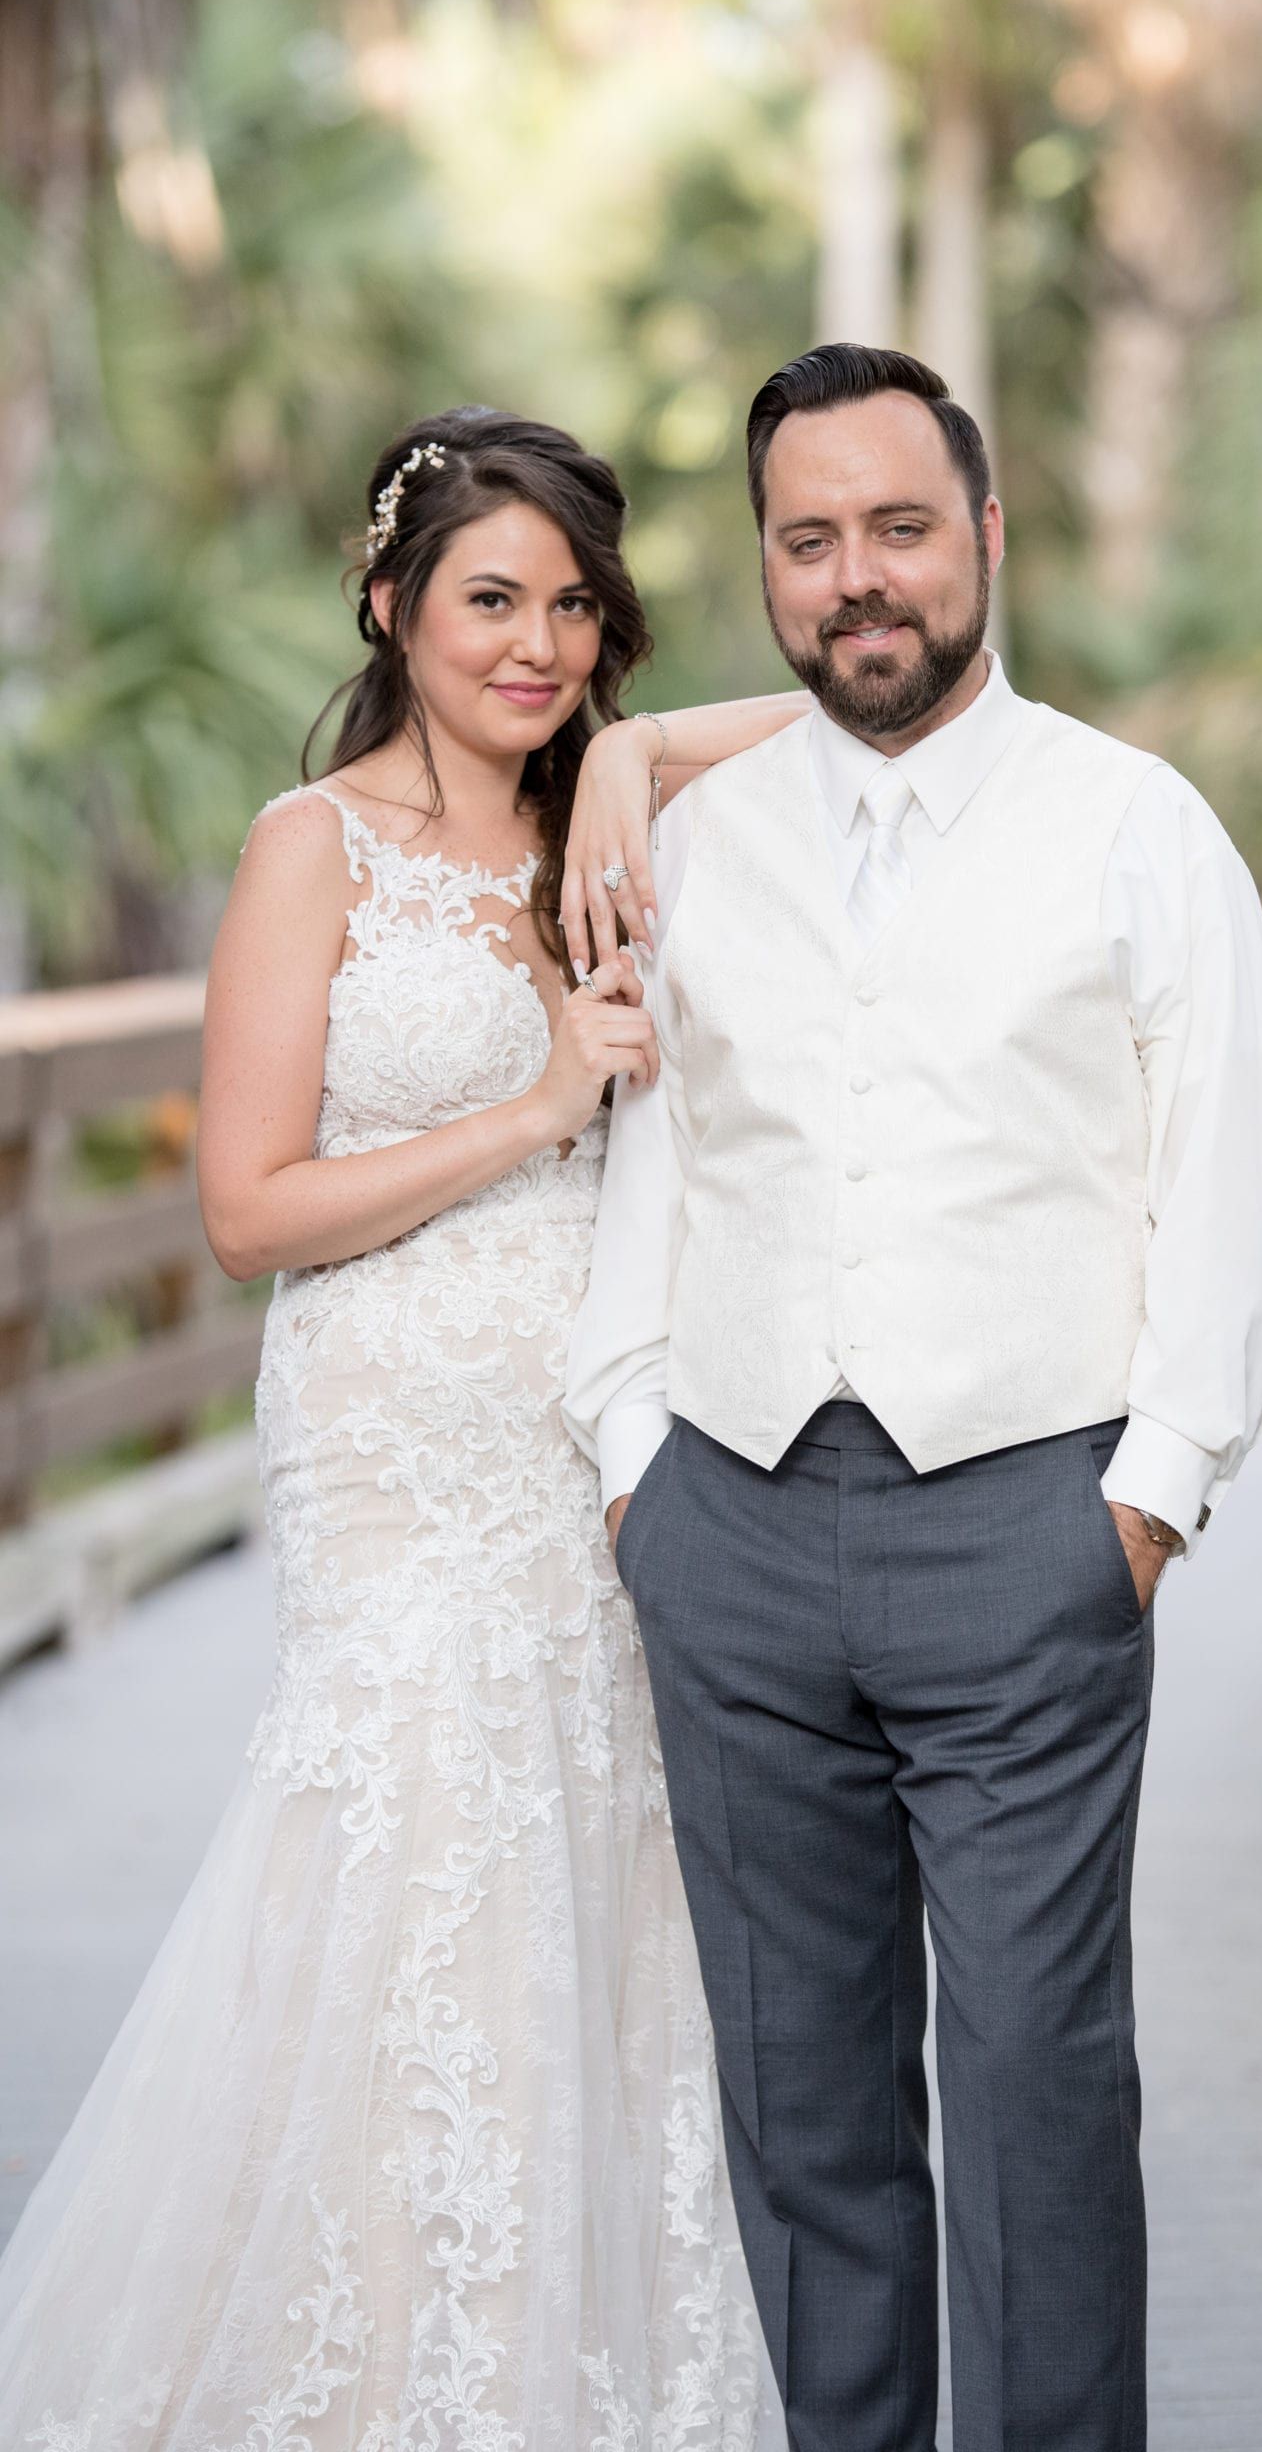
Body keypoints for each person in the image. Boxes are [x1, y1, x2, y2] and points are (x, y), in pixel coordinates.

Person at [0, 406, 797, 2450]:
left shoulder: (603, 826)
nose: (536, 642)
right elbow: (246, 1204)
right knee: (421, 1888)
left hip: (605, 1452)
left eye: (571, 606)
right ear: (390, 605)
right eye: (487, 599)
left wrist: (629, 753)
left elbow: (883, 717)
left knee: (591, 1895)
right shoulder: (313, 846)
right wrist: (535, 1105)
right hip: (394, 1453)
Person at [563, 343, 1262, 2452]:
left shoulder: (1134, 829)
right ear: (767, 569)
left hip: (1028, 1527)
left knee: (1038, 2092)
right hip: (733, 1523)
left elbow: (1224, 1177)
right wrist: (636, 1462)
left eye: (898, 528)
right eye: (809, 540)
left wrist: (1145, 1498)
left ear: (983, 537)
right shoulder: (702, 843)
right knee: (804, 2121)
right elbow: (661, 1157)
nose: (855, 578)